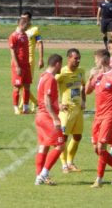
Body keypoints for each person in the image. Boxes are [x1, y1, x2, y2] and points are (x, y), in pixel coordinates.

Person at [85, 49, 112, 188]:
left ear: (103, 59)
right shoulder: (97, 75)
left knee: (102, 146)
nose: (95, 62)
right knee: (97, 149)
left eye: (96, 59)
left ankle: (99, 180)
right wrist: (91, 77)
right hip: (98, 116)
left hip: (110, 115)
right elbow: (87, 91)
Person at [34, 54, 65, 185]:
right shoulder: (51, 79)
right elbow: (47, 102)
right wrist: (55, 118)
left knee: (44, 147)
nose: (61, 68)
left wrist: (59, 105)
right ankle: (44, 174)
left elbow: (44, 99)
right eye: (61, 65)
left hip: (39, 116)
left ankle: (39, 177)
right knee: (60, 145)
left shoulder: (42, 76)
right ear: (57, 64)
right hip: (47, 117)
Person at [56, 48, 86, 173]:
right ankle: (63, 165)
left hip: (78, 110)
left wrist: (84, 100)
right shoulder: (61, 72)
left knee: (78, 136)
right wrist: (57, 104)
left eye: (79, 58)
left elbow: (83, 86)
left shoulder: (81, 72)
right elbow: (48, 87)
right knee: (62, 138)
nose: (78, 60)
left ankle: (70, 162)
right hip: (66, 111)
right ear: (69, 58)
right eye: (75, 58)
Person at [18, 11, 44, 112]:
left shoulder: (34, 30)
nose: (23, 20)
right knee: (19, 84)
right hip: (20, 60)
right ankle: (35, 102)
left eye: (25, 18)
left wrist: (41, 59)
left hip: (29, 60)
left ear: (29, 19)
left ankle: (23, 105)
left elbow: (40, 43)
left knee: (24, 84)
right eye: (22, 18)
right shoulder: (19, 29)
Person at [8, 18, 32, 114]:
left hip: (26, 64)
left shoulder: (25, 35)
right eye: (27, 25)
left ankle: (26, 107)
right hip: (18, 65)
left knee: (27, 85)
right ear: (22, 24)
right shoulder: (14, 36)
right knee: (17, 86)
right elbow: (12, 52)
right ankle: (16, 107)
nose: (28, 26)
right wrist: (17, 66)